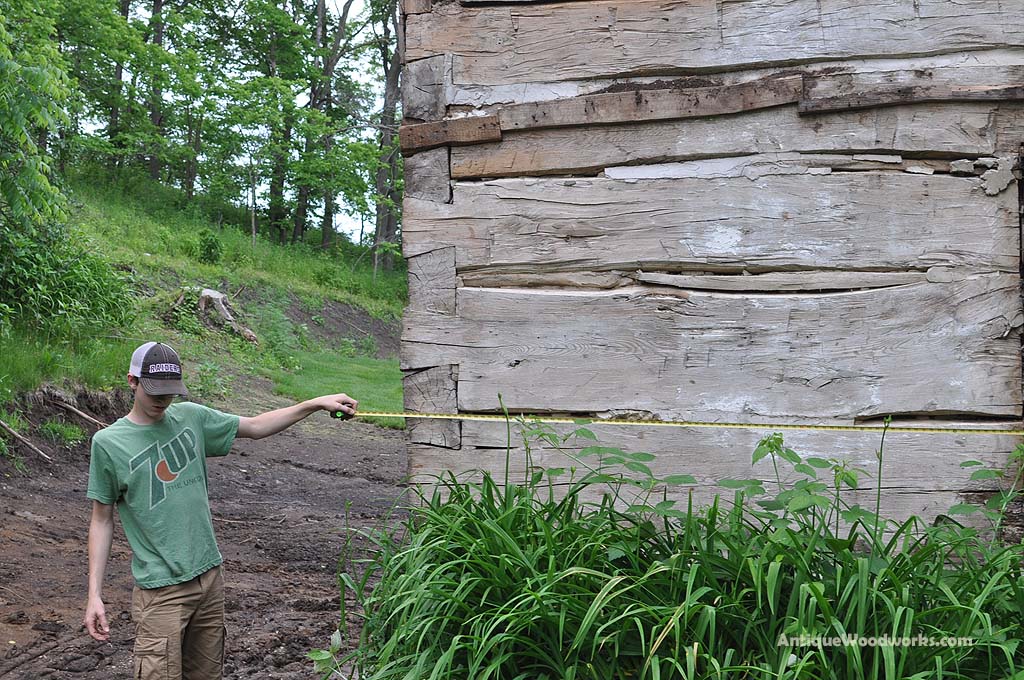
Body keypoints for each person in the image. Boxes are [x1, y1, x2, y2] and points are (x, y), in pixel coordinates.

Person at [82, 341, 357, 679]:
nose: (162, 400)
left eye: (170, 392)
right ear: (132, 381)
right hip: (161, 591)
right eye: (154, 391)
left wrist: (314, 404)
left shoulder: (191, 418)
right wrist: (94, 594)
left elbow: (255, 426)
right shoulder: (109, 443)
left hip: (210, 579)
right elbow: (101, 519)